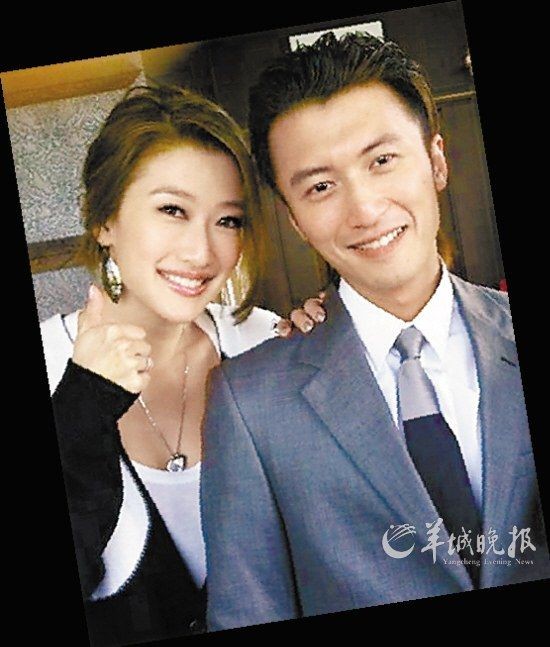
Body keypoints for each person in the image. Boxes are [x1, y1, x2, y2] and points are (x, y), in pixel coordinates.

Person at [200, 32, 550, 631]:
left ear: (436, 161)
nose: (363, 209)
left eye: (382, 160)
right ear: (294, 218)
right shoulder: (249, 403)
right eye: (320, 186)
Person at [39, 84, 325, 646]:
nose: (202, 253)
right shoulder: (50, 365)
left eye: (228, 221)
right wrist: (81, 408)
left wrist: (331, 364)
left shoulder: (263, 342)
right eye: (172, 210)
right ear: (104, 220)